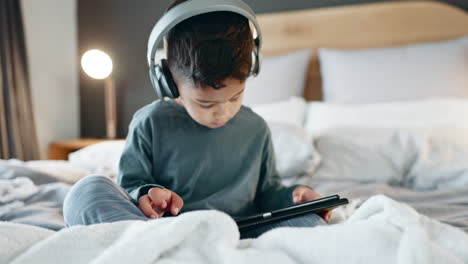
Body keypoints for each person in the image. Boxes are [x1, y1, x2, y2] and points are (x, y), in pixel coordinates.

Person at [63, 0, 331, 239]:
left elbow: (267, 194)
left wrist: (295, 197)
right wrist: (148, 194)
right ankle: (174, 249)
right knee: (87, 192)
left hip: (241, 231)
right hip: (167, 229)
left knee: (310, 223)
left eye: (235, 97)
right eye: (205, 103)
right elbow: (131, 185)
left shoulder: (256, 128)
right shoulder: (150, 123)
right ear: (168, 80)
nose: (223, 112)